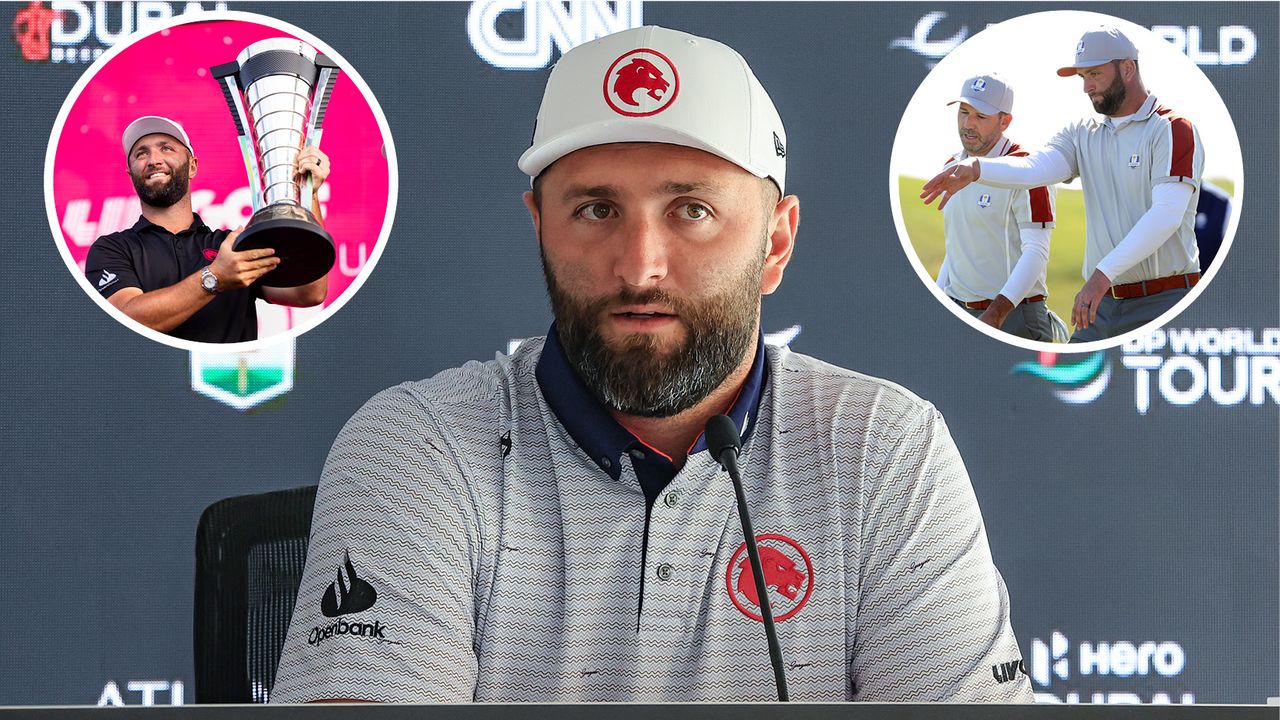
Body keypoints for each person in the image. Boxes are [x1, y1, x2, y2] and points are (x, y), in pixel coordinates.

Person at [271, 26, 1031, 703]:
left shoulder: (883, 448)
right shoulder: (419, 445)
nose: (640, 268)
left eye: (691, 210)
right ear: (540, 228)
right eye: (596, 210)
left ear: (775, 242)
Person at [921, 26, 1203, 343]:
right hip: (1103, 305)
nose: (1087, 86)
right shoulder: (1080, 133)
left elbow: (1166, 215)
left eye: (1094, 73)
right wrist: (976, 167)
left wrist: (1100, 275)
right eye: (1082, 77)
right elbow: (1034, 169)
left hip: (1165, 300)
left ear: (1127, 68)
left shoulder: (1173, 129)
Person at [84, 116, 331, 343]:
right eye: (141, 154)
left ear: (192, 166)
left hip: (229, 383)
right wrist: (215, 277)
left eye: (166, 148)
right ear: (131, 175)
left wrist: (308, 192)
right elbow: (125, 320)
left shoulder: (231, 246)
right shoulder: (112, 248)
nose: (154, 160)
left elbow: (309, 291)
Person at [935, 72, 1057, 341]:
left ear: (1005, 121)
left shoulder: (1029, 170)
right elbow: (956, 247)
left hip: (1013, 317)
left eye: (980, 116)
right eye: (963, 112)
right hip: (959, 310)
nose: (968, 124)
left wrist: (996, 313)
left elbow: (1036, 252)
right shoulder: (951, 165)